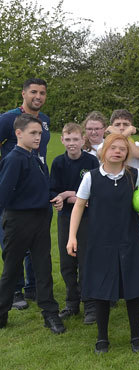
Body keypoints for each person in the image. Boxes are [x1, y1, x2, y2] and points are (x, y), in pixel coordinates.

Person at [66, 133, 139, 354]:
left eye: (122, 149)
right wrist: (72, 237)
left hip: (129, 241)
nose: (117, 152)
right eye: (113, 148)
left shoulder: (134, 175)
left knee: (132, 291)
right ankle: (102, 338)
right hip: (100, 243)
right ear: (104, 151)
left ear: (127, 154)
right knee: (102, 292)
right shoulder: (91, 177)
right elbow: (79, 206)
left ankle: (136, 336)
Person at [0, 114, 64, 333]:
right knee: (11, 268)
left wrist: (50, 198)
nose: (39, 137)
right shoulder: (14, 158)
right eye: (33, 133)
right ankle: (1, 313)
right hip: (18, 221)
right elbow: (4, 193)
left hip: (40, 220)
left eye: (40, 133)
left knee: (43, 268)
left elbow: (39, 187)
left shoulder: (35, 157)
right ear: (19, 134)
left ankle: (50, 314)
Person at [0, 78, 51, 308]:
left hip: (38, 191)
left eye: (42, 93)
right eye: (33, 92)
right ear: (23, 94)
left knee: (37, 246)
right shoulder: (9, 119)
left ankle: (33, 287)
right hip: (14, 193)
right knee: (14, 246)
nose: (38, 96)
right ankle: (16, 291)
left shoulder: (46, 122)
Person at [50, 122, 99, 324]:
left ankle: (90, 305)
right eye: (68, 139)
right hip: (66, 219)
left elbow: (93, 193)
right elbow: (53, 192)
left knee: (86, 261)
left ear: (83, 140)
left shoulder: (92, 162)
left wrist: (69, 194)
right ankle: (72, 303)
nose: (72, 143)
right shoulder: (58, 163)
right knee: (67, 263)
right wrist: (62, 197)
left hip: (88, 220)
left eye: (75, 139)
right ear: (62, 140)